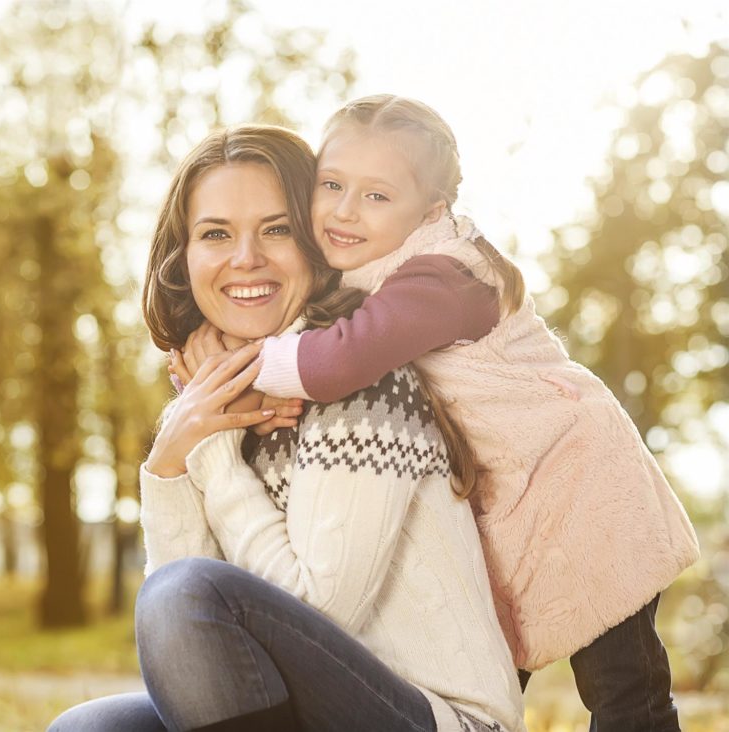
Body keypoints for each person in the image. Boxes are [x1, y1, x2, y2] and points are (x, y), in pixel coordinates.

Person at [210, 94, 699, 732]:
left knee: (623, 687)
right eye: (331, 184)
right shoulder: (362, 273)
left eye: (377, 196)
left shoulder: (441, 276)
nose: (344, 210)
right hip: (516, 501)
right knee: (483, 674)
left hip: (583, 483)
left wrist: (227, 372)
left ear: (431, 211)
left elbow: (333, 363)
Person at [48, 125, 526, 731]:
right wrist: (170, 459)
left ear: (316, 243)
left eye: (276, 230)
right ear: (184, 257)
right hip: (306, 712)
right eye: (216, 233)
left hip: (435, 721)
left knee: (186, 594)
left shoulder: (357, 379)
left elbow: (316, 608)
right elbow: (190, 656)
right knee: (89, 729)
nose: (246, 258)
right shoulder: (213, 407)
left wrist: (213, 457)